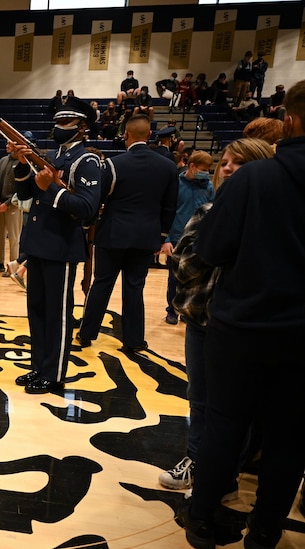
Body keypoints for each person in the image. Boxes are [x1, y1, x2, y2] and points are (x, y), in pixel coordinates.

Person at [179, 80, 305, 549]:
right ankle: (267, 530)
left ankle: (202, 519)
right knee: (289, 439)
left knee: (224, 424)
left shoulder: (254, 179)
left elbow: (211, 248)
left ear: (288, 120)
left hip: (244, 325)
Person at [160, 138, 274, 496]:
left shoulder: (270, 217)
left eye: (237, 163)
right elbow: (184, 264)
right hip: (200, 318)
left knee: (238, 404)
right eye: (224, 162)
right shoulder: (209, 210)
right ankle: (196, 459)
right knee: (200, 396)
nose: (227, 168)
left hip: (243, 324)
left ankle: (226, 473)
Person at [12, 97, 102, 394]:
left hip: (61, 248)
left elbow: (87, 207)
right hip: (39, 245)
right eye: (58, 121)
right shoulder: (52, 156)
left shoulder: (86, 161)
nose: (59, 127)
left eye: (66, 122)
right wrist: (21, 162)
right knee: (36, 310)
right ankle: (39, 366)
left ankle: (54, 373)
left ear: (83, 127)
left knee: (58, 314)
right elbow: (26, 191)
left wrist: (50, 186)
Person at [76, 115, 178, 352]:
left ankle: (87, 332)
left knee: (102, 283)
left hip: (113, 233)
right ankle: (134, 340)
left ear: (127, 135)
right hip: (146, 236)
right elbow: (169, 206)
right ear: (149, 135)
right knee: (134, 287)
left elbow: (97, 199)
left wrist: (87, 225)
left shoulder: (113, 164)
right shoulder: (168, 166)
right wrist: (161, 237)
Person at [161, 150, 214, 325]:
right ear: (192, 166)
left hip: (201, 238)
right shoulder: (175, 184)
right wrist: (166, 239)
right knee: (174, 278)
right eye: (203, 169)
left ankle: (188, 310)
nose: (206, 172)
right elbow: (167, 213)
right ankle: (172, 310)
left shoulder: (208, 186)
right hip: (177, 237)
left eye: (208, 169)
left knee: (197, 277)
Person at [0, 141, 23, 276]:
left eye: (9, 144)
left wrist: (7, 203)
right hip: (0, 204)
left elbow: (21, 189)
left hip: (14, 205)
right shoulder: (3, 160)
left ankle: (13, 267)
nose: (6, 146)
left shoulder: (22, 163)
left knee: (14, 237)